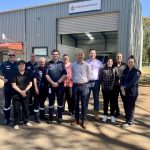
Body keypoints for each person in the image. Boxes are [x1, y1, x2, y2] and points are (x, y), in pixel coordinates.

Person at [46, 49, 67, 124]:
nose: (55, 55)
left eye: (56, 54)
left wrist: (57, 82)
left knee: (60, 102)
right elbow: (46, 75)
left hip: (60, 86)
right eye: (54, 54)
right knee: (51, 102)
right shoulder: (48, 64)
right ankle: (50, 117)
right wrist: (52, 83)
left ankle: (60, 117)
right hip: (50, 86)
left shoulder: (62, 64)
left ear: (58, 55)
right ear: (52, 55)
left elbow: (65, 74)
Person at [71, 50, 91, 129]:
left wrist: (84, 81)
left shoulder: (87, 65)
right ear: (76, 56)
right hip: (75, 86)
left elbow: (89, 76)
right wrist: (75, 80)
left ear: (83, 56)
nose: (80, 56)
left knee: (84, 104)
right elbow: (72, 74)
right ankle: (76, 119)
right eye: (78, 55)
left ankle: (83, 120)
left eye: (81, 55)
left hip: (84, 86)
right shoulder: (73, 65)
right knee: (75, 104)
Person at [120, 55, 141, 128]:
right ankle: (127, 117)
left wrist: (124, 88)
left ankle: (129, 121)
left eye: (131, 62)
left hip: (132, 92)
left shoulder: (137, 72)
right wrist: (122, 87)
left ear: (134, 63)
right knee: (126, 105)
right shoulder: (125, 70)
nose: (130, 63)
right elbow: (122, 79)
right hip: (124, 92)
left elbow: (133, 82)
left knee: (130, 106)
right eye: (129, 62)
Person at [11, 60, 32, 130]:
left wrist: (25, 91)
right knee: (16, 109)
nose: (22, 66)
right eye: (20, 65)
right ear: (18, 66)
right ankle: (16, 123)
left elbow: (30, 84)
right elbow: (13, 85)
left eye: (23, 64)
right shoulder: (14, 74)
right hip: (16, 94)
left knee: (25, 108)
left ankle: (26, 121)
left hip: (26, 93)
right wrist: (21, 92)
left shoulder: (28, 73)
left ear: (25, 66)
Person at [0, 51, 18, 125]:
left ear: (15, 56)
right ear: (8, 56)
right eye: (10, 55)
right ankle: (6, 118)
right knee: (7, 103)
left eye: (13, 55)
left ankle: (16, 118)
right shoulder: (4, 64)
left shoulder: (18, 64)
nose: (11, 56)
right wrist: (3, 79)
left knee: (16, 103)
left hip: (16, 87)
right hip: (7, 87)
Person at [86, 49, 103, 120]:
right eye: (91, 53)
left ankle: (96, 113)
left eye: (94, 53)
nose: (92, 55)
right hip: (88, 82)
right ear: (89, 54)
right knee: (86, 97)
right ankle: (84, 113)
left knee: (96, 98)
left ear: (95, 54)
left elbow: (101, 73)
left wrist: (101, 82)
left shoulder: (99, 63)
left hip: (96, 82)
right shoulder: (85, 62)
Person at [101, 58, 116, 123]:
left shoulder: (115, 70)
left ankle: (112, 115)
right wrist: (103, 87)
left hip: (113, 89)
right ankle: (105, 115)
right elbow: (101, 79)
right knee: (105, 102)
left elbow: (117, 79)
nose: (110, 62)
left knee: (112, 103)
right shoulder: (103, 70)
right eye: (108, 61)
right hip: (105, 89)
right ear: (107, 62)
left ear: (112, 62)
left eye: (111, 61)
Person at [33, 57, 48, 123]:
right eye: (40, 62)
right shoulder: (36, 69)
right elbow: (34, 79)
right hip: (38, 88)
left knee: (42, 103)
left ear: (45, 62)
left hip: (45, 88)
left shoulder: (47, 69)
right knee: (37, 103)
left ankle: (42, 116)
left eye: (43, 62)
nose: (42, 63)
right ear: (39, 62)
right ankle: (37, 117)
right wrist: (36, 88)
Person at [113, 53, 127, 117]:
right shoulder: (113, 65)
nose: (119, 58)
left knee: (124, 100)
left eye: (120, 57)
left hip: (122, 86)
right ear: (116, 58)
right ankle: (117, 112)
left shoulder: (125, 65)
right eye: (118, 57)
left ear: (122, 58)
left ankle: (127, 113)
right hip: (115, 85)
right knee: (115, 99)